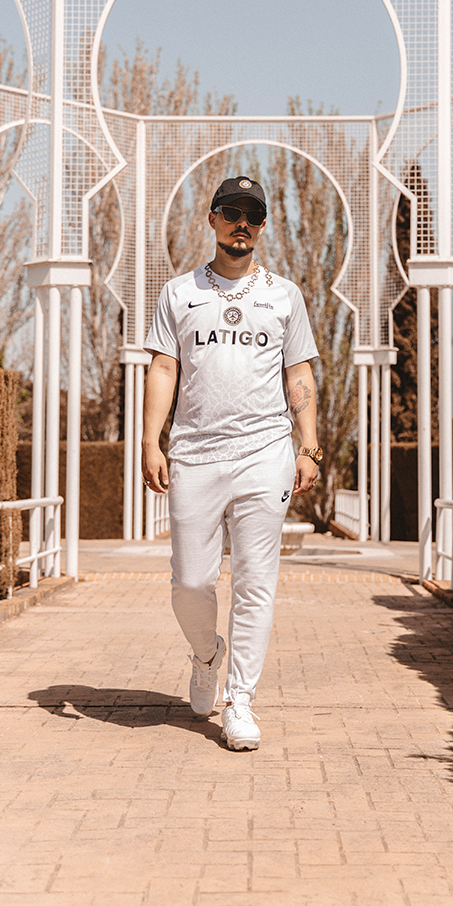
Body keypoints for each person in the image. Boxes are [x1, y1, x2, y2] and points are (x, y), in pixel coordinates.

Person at [142, 175, 321, 751]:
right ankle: (206, 656)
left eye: (253, 214)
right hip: (195, 454)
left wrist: (309, 445)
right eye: (231, 211)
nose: (242, 222)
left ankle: (240, 700)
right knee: (190, 582)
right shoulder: (179, 293)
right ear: (213, 219)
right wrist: (150, 441)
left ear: (262, 226)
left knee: (255, 581)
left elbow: (298, 373)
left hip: (264, 453)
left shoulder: (285, 296)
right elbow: (163, 368)